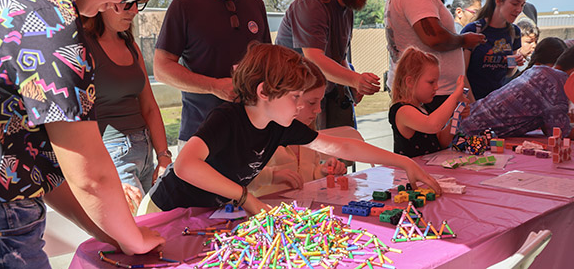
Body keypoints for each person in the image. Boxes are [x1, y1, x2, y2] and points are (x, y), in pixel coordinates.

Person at [0, 0, 164, 266]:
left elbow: (43, 167)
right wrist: (133, 238)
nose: (122, 3)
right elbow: (89, 174)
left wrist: (112, 233)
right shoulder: (50, 17)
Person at [138, 44, 441, 216]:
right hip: (162, 212)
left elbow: (342, 147)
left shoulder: (278, 126)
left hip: (202, 214)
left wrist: (404, 162)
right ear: (264, 93)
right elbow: (186, 166)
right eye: (295, 97)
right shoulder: (226, 118)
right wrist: (245, 198)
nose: (300, 107)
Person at [153, 0, 271, 152]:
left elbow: (268, 62)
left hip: (252, 132)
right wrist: (214, 86)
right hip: (201, 135)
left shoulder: (255, 3)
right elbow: (161, 69)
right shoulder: (184, 6)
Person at [276, 0, 381, 130]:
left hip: (324, 96)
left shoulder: (347, 9)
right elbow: (314, 59)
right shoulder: (312, 3)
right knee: (307, 157)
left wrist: (352, 87)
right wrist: (354, 79)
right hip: (296, 100)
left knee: (342, 153)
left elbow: (339, 57)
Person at [83, 3, 170, 214]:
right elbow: (78, 121)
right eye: (126, 3)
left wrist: (164, 157)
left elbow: (149, 106)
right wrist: (102, 170)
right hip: (113, 154)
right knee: (134, 228)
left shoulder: (130, 45)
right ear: (103, 4)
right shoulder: (84, 47)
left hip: (147, 150)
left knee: (157, 221)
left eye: (138, 3)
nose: (135, 11)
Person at [385, 0, 485, 112]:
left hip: (430, 92)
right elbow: (434, 37)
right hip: (431, 95)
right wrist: (464, 40)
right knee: (434, 138)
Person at [248, 60, 349, 197]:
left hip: (301, 210)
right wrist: (271, 176)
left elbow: (308, 175)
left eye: (320, 102)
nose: (318, 110)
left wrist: (322, 171)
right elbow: (236, 180)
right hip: (265, 213)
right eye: (312, 103)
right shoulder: (257, 135)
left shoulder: (308, 133)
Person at [461, 39, 573, 139]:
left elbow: (549, 125)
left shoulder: (539, 71)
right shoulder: (557, 83)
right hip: (469, 136)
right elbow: (560, 132)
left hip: (462, 124)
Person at [389, 48, 468, 158]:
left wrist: (456, 117)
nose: (436, 87)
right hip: (409, 174)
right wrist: (454, 96)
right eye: (431, 82)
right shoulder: (402, 111)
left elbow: (441, 142)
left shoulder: (424, 108)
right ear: (410, 82)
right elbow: (432, 125)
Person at [461, 0, 526, 100]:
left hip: (496, 102)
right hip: (472, 100)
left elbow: (509, 73)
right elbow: (461, 74)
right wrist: (473, 104)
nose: (519, 10)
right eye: (515, 4)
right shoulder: (474, 30)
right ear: (498, 1)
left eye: (522, 5)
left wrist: (513, 62)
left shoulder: (514, 32)